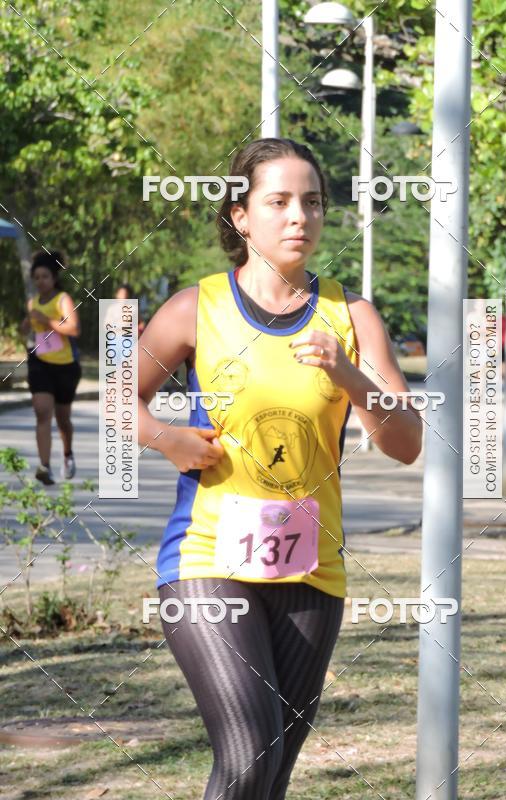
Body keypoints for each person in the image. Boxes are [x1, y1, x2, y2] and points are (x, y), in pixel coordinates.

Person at [137, 137, 422, 799]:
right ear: (241, 216)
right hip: (207, 555)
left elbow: (405, 441)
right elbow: (126, 398)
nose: (301, 216)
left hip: (310, 567)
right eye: (280, 201)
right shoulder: (195, 308)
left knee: (269, 776)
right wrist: (166, 439)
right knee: (247, 753)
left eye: (313, 202)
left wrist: (350, 374)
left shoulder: (351, 317)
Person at [20, 251, 81, 484]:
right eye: (36, 277)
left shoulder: (62, 299)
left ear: (54, 278)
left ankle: (67, 454)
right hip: (39, 363)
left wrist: (46, 321)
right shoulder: (32, 302)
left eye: (44, 276)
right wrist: (26, 324)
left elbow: (74, 329)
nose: (40, 281)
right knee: (42, 411)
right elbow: (26, 330)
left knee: (63, 418)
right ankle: (44, 466)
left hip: (65, 366)